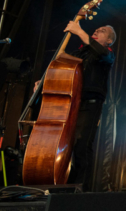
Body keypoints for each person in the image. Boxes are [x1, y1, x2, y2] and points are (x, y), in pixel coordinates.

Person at [35, 21, 116, 190]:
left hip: (89, 105)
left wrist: (79, 30)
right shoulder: (77, 53)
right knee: (63, 147)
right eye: (97, 29)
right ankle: (57, 185)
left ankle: (78, 190)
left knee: (81, 147)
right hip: (69, 104)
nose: (96, 31)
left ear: (109, 41)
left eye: (102, 31)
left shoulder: (106, 54)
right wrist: (44, 83)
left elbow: (100, 52)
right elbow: (63, 75)